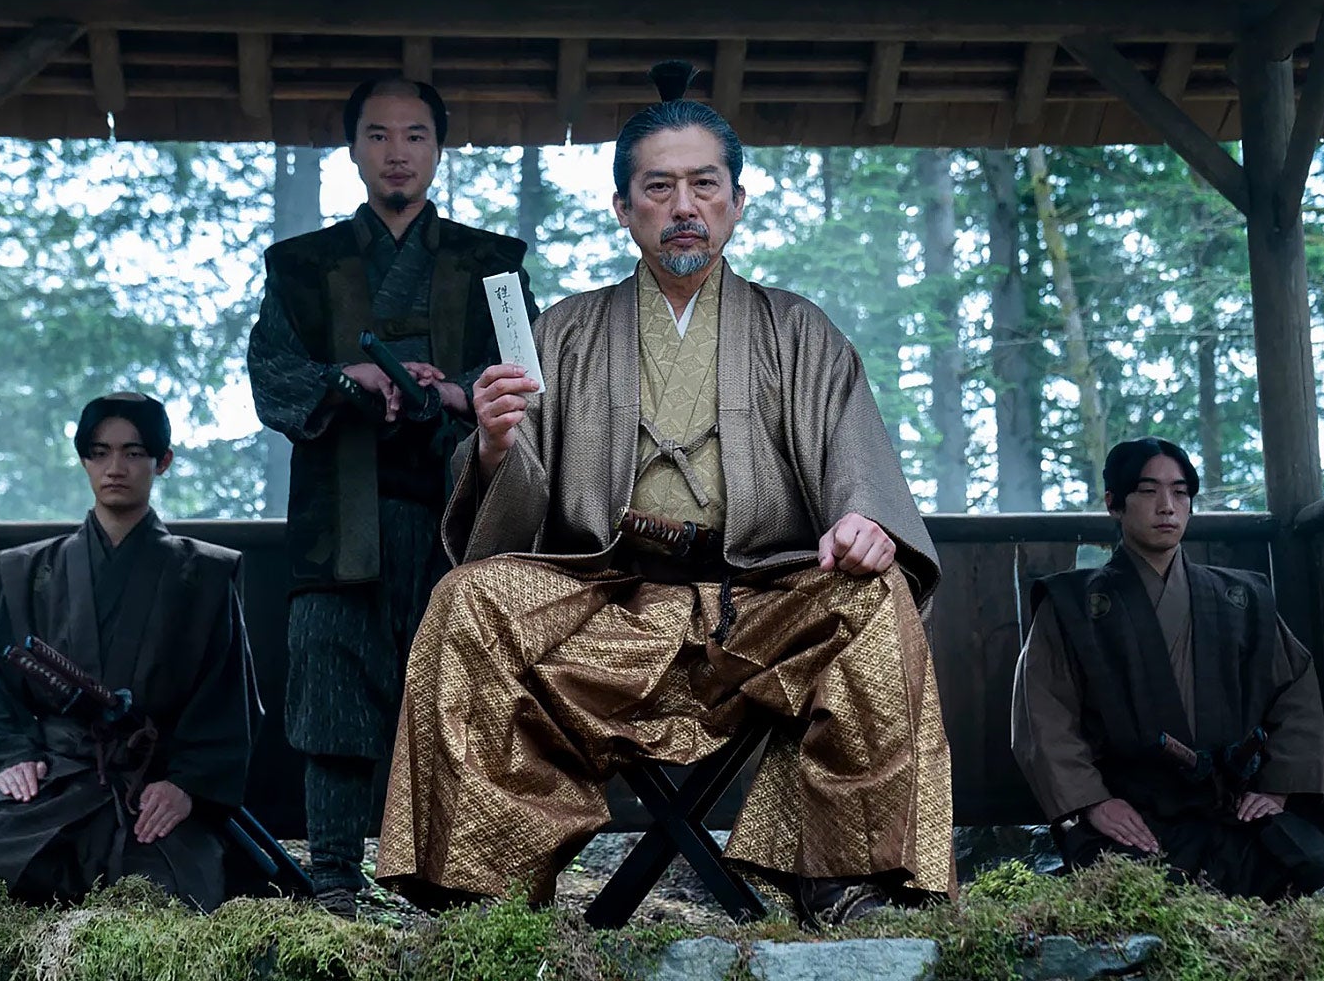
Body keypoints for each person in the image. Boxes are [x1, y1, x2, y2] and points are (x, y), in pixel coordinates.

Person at [374, 63, 954, 927]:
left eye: (704, 185)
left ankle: (847, 876)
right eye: (659, 187)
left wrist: (865, 523)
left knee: (877, 594)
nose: (684, 205)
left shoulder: (798, 330)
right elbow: (509, 520)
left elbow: (854, 470)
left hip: (759, 601)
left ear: (736, 201)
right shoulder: (564, 331)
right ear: (624, 209)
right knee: (467, 601)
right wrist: (495, 448)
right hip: (607, 599)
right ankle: (483, 887)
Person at [246, 77, 537, 916]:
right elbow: (272, 377)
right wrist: (350, 377)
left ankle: (454, 878)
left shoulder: (493, 262)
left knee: (459, 691)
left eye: (414, 135)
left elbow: (529, 371)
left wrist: (461, 393)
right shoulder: (300, 267)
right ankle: (334, 873)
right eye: (378, 135)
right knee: (331, 677)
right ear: (355, 150)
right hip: (341, 518)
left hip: (458, 513)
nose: (397, 152)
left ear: (438, 150)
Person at [0, 393, 259, 910]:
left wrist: (185, 786)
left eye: (134, 453)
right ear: (84, 459)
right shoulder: (33, 571)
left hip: (149, 780)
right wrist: (13, 757)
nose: (116, 468)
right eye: (100, 451)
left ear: (163, 461)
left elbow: (228, 698)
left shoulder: (203, 574)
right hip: (57, 775)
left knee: (166, 892)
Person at [1011, 436, 1324, 899]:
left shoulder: (1240, 598)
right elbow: (1044, 716)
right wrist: (1092, 802)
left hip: (1228, 808)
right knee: (1138, 898)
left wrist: (1277, 789)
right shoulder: (1075, 605)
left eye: (1181, 492)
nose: (1167, 506)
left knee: (1319, 875)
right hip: (1132, 810)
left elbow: (1295, 690)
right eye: (1148, 491)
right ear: (1114, 504)